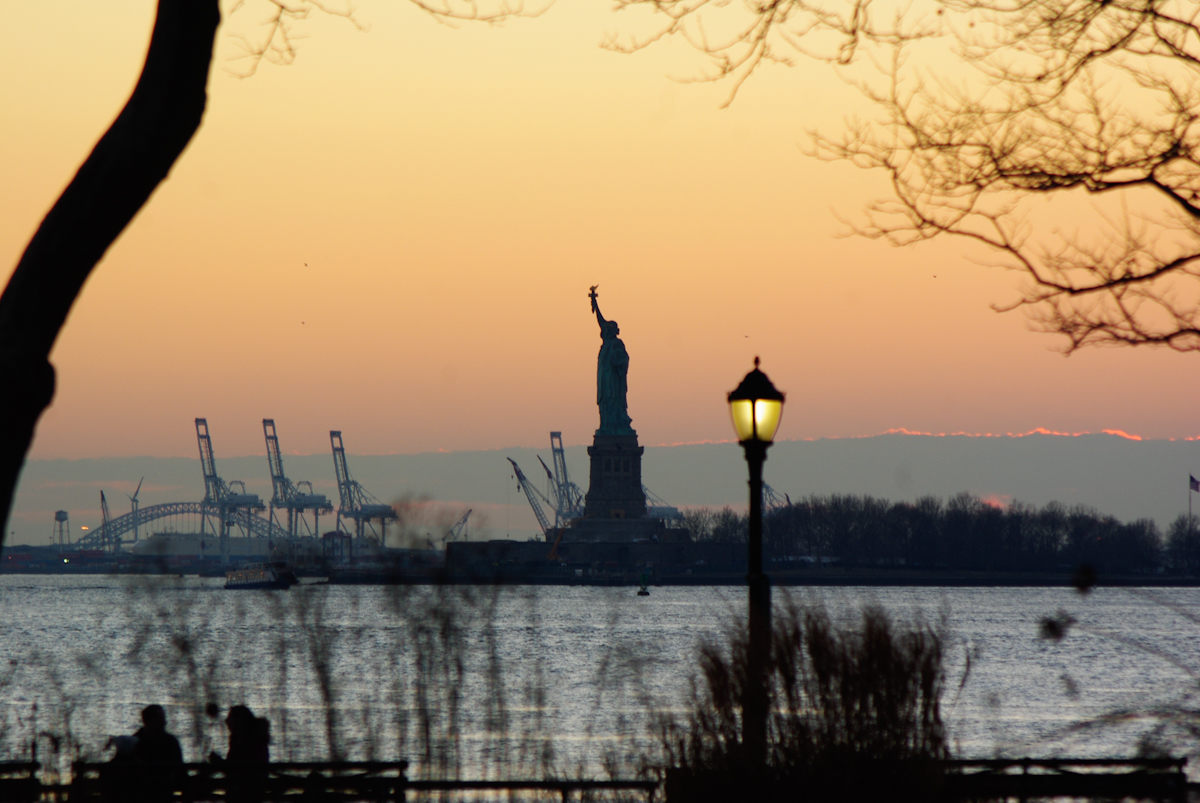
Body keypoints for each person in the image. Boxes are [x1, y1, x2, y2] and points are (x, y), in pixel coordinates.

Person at [210, 705, 270, 803]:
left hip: (246, 792)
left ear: (239, 721)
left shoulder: (247, 741)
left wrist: (219, 763)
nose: (227, 721)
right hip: (249, 790)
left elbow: (238, 769)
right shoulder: (242, 739)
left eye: (230, 718)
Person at [132, 704, 184, 803]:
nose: (165, 722)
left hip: (140, 795)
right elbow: (180, 772)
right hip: (164, 794)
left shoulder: (135, 741)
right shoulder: (170, 742)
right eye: (161, 719)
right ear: (151, 721)